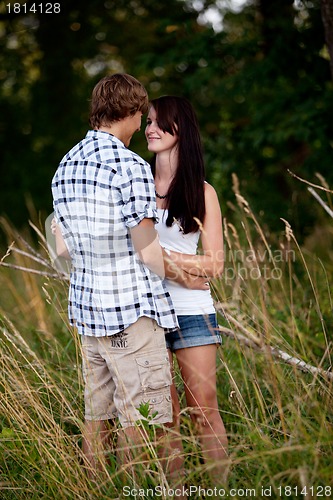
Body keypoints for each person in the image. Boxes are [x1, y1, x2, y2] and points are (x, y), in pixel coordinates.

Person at [51, 74, 208, 481]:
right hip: (130, 311)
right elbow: (149, 252)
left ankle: (96, 488)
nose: (143, 125)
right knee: (140, 414)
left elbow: (63, 250)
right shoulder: (129, 165)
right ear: (132, 113)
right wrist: (187, 276)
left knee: (96, 413)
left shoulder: (65, 165)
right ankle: (136, 489)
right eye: (142, 116)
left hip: (87, 312)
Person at [145, 95, 229, 482]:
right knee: (165, 416)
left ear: (183, 131)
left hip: (193, 311)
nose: (151, 128)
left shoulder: (202, 190)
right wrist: (184, 269)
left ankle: (222, 489)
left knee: (203, 408)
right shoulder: (138, 185)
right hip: (145, 312)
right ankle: (174, 493)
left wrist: (158, 256)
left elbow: (214, 266)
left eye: (160, 122)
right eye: (147, 122)